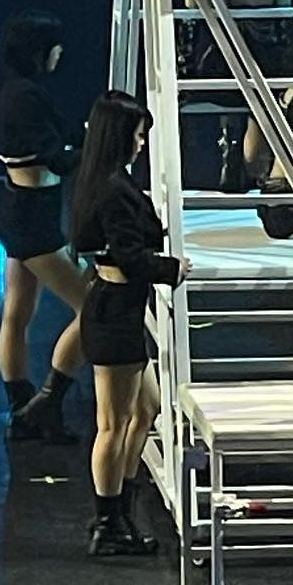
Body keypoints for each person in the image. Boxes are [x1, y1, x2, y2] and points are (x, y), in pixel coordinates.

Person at [71, 90, 190, 556]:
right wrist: (172, 268)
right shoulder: (112, 189)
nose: (142, 143)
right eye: (138, 135)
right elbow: (130, 257)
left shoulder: (105, 181)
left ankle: (120, 506)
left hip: (118, 309)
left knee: (147, 408)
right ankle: (108, 522)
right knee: (113, 424)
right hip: (115, 313)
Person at [0, 10, 89, 443]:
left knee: (17, 314)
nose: (60, 53)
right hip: (32, 219)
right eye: (54, 47)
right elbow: (58, 158)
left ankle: (22, 409)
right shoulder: (26, 97)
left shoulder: (19, 93)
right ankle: (46, 403)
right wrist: (98, 147)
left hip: (23, 210)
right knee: (95, 308)